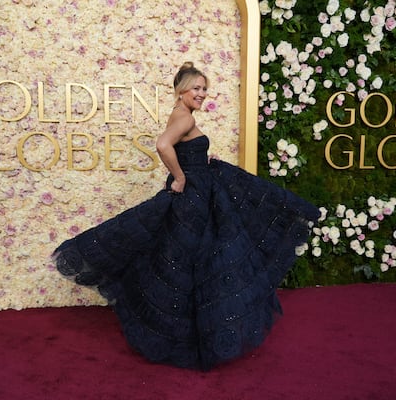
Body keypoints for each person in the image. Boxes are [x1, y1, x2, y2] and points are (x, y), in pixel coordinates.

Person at [52, 62, 320, 371]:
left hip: (199, 195)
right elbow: (163, 145)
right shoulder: (183, 118)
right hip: (192, 200)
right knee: (196, 260)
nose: (202, 94)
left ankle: (191, 332)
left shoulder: (181, 116)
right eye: (197, 88)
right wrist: (179, 177)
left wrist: (196, 167)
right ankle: (192, 336)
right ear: (182, 91)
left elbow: (177, 148)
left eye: (205, 89)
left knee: (187, 260)